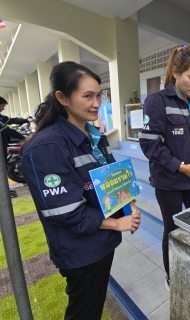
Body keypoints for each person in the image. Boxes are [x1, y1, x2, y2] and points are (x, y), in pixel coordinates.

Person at [21, 61, 141, 320]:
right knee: (84, 313)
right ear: (62, 98)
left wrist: (129, 204)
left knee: (92, 308)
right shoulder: (47, 147)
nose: (97, 102)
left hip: (100, 244)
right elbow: (65, 212)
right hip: (80, 252)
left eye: (98, 95)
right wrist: (117, 224)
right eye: (88, 96)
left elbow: (114, 178)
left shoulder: (93, 135)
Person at [139, 45, 190, 290]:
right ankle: (172, 278)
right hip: (169, 181)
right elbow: (149, 145)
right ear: (176, 72)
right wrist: (181, 166)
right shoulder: (157, 102)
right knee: (173, 231)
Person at [0, 96, 33, 163]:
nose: (3, 108)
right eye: (3, 106)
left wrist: (27, 120)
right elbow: (5, 129)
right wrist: (22, 137)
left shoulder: (0, 117)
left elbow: (12, 120)